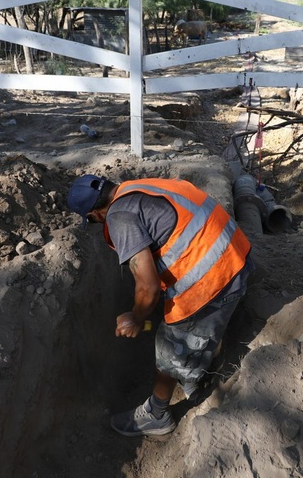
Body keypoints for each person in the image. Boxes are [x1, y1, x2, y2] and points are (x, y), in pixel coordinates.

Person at [67, 174, 252, 437]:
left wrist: (135, 317)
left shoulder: (119, 218)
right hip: (236, 255)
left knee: (169, 346)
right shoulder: (138, 187)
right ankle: (193, 373)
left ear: (96, 214)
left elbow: (148, 287)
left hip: (214, 280)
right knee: (187, 328)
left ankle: (157, 414)